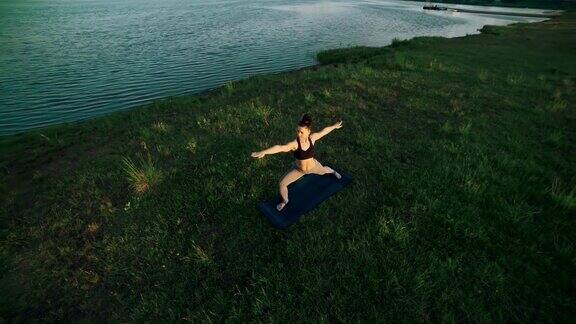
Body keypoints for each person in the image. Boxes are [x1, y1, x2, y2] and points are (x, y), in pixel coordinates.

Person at [251, 114, 343, 211]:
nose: (298, 134)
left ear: (308, 132)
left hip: (313, 167)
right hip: (299, 170)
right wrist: (263, 152)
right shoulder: (295, 144)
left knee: (324, 170)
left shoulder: (312, 138)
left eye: (301, 132)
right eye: (297, 131)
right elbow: (280, 147)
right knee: (282, 184)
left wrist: (334, 126)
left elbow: (324, 131)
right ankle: (285, 201)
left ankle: (333, 172)